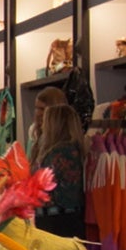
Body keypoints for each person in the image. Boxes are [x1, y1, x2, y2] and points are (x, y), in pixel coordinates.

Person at [34, 101, 86, 239]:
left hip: (55, 222)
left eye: (46, 122)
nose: (42, 126)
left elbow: (42, 186)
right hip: (68, 219)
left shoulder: (59, 153)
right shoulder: (74, 150)